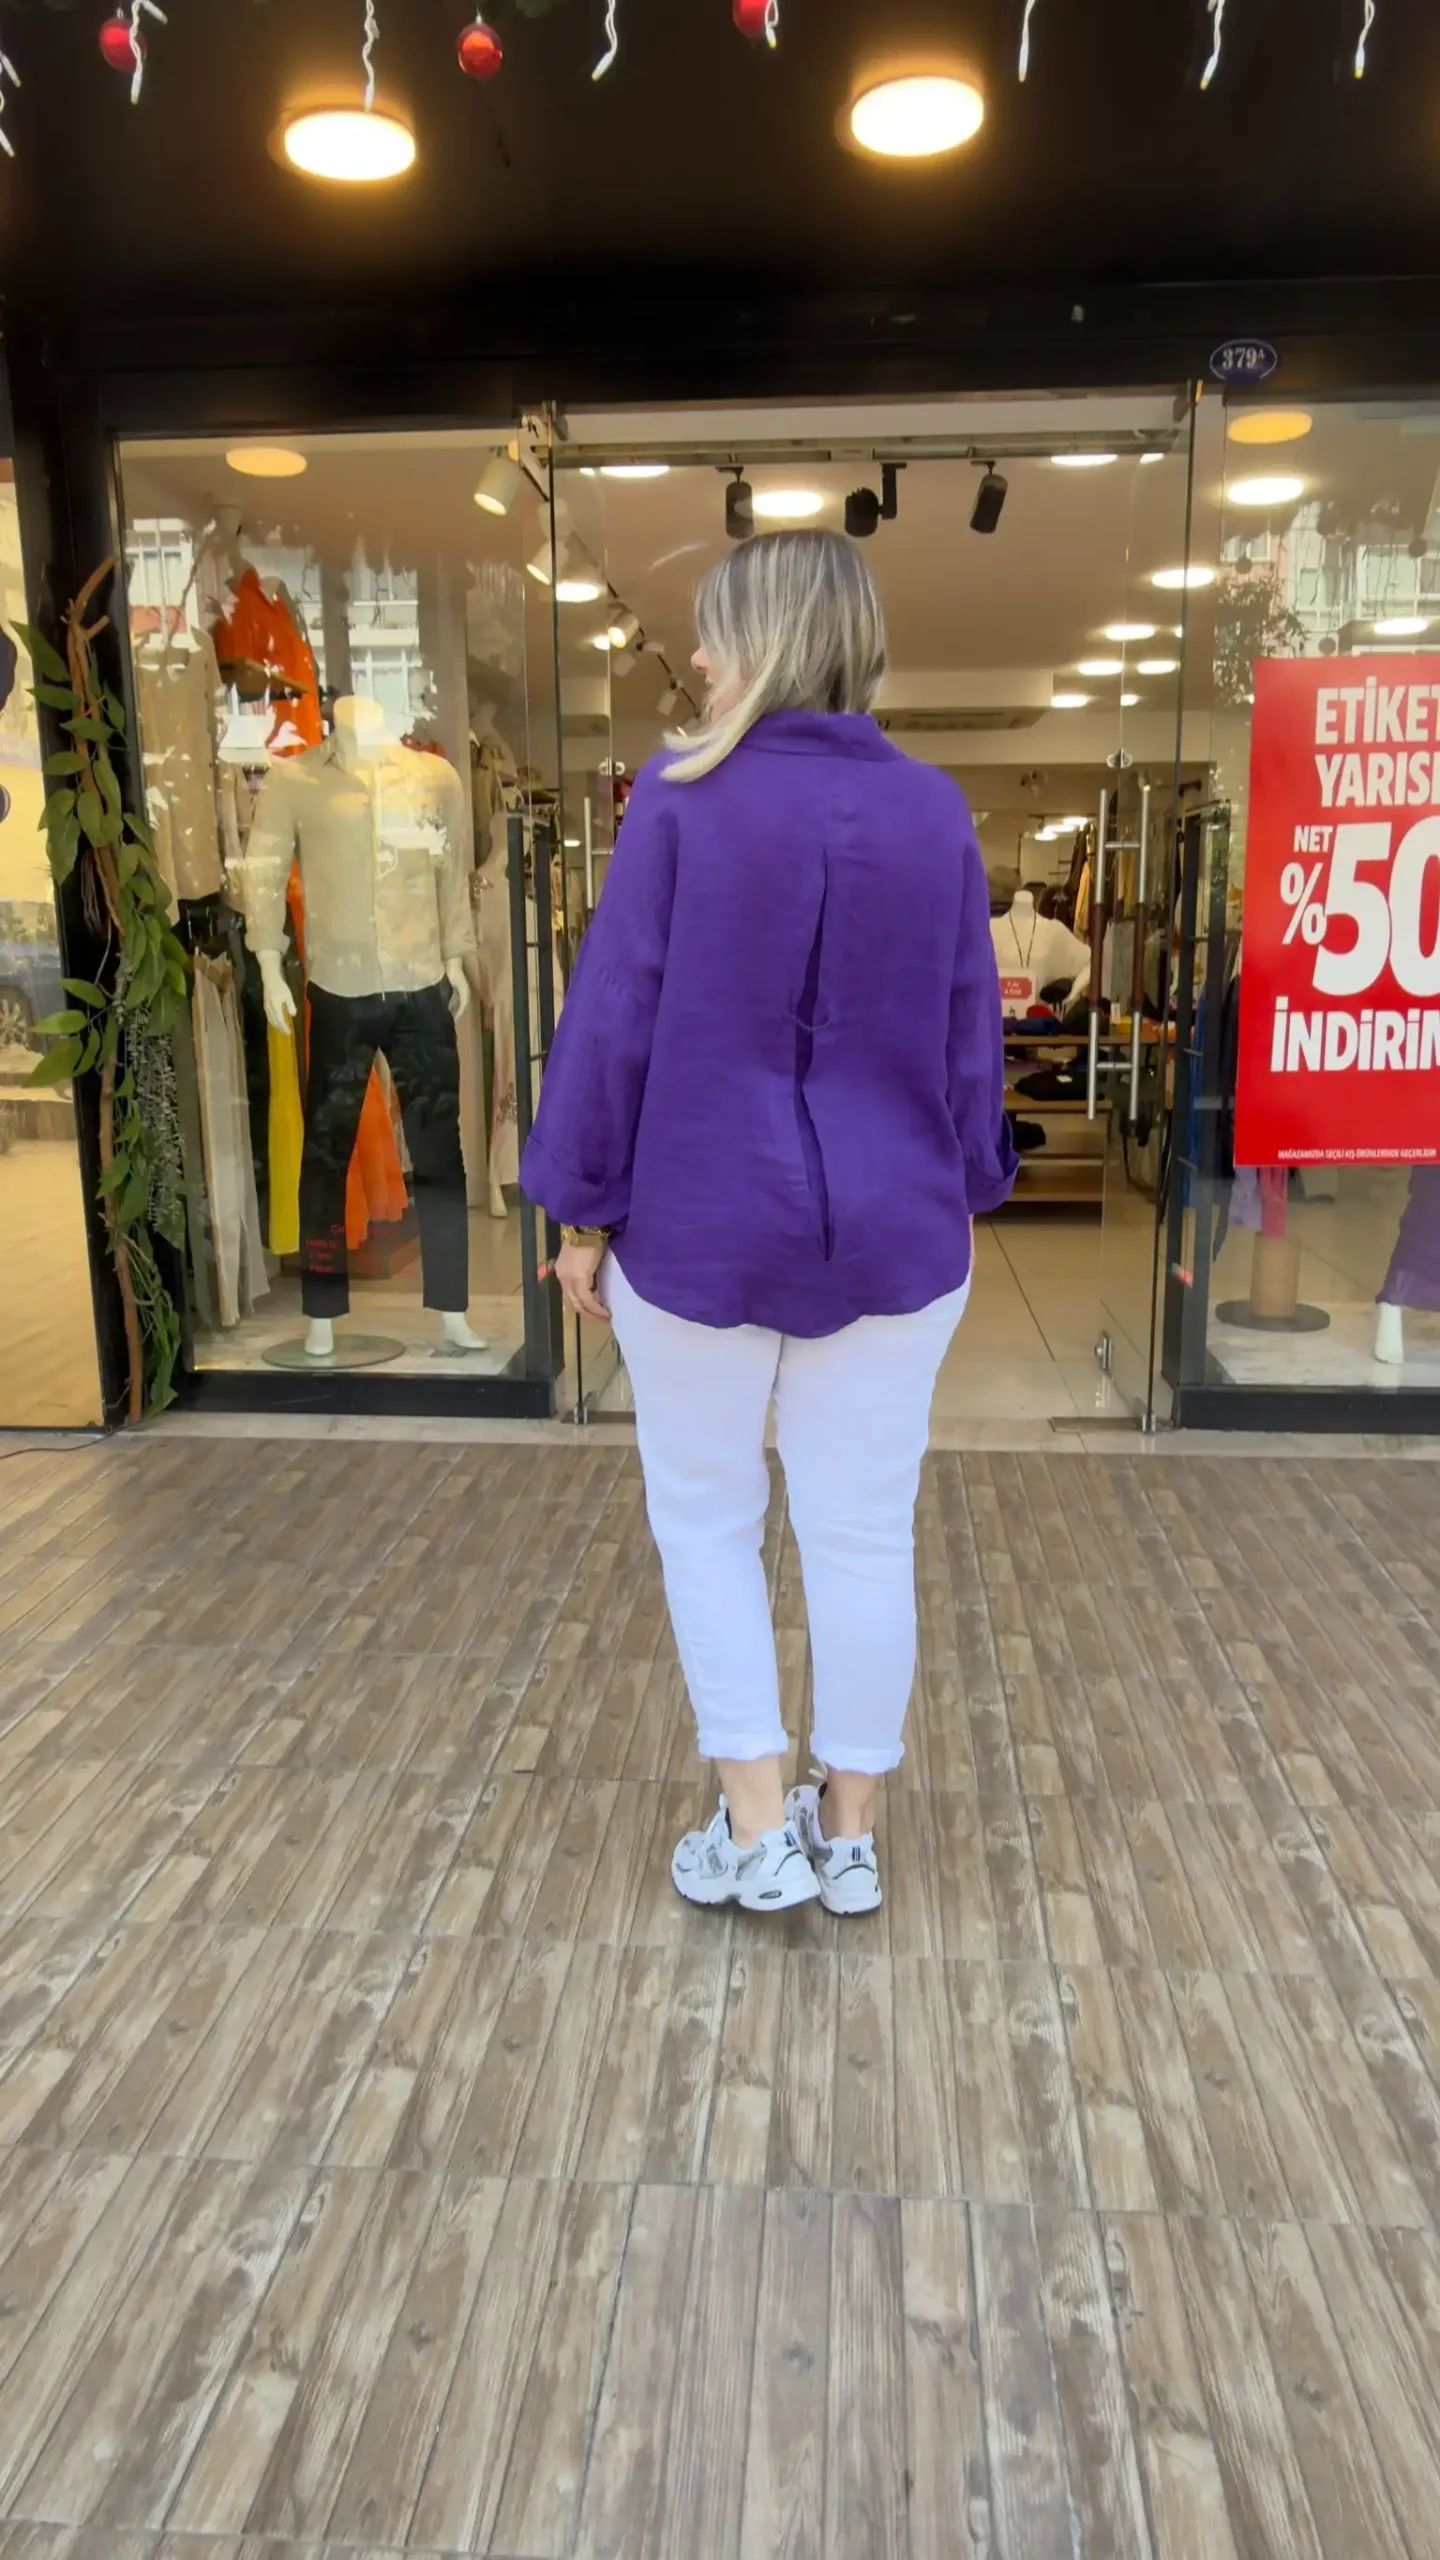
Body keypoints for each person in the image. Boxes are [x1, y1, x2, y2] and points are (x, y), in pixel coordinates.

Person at [522, 527, 1016, 1916]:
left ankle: (754, 1829)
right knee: (864, 1532)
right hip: (895, 1228)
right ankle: (847, 1835)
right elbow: (969, 1025)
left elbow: (615, 1014)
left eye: (715, 629)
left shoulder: (678, 801)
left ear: (772, 640)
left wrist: (581, 1210)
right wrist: (971, 1177)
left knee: (708, 1521)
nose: (695, 655)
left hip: (700, 1220)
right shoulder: (936, 811)